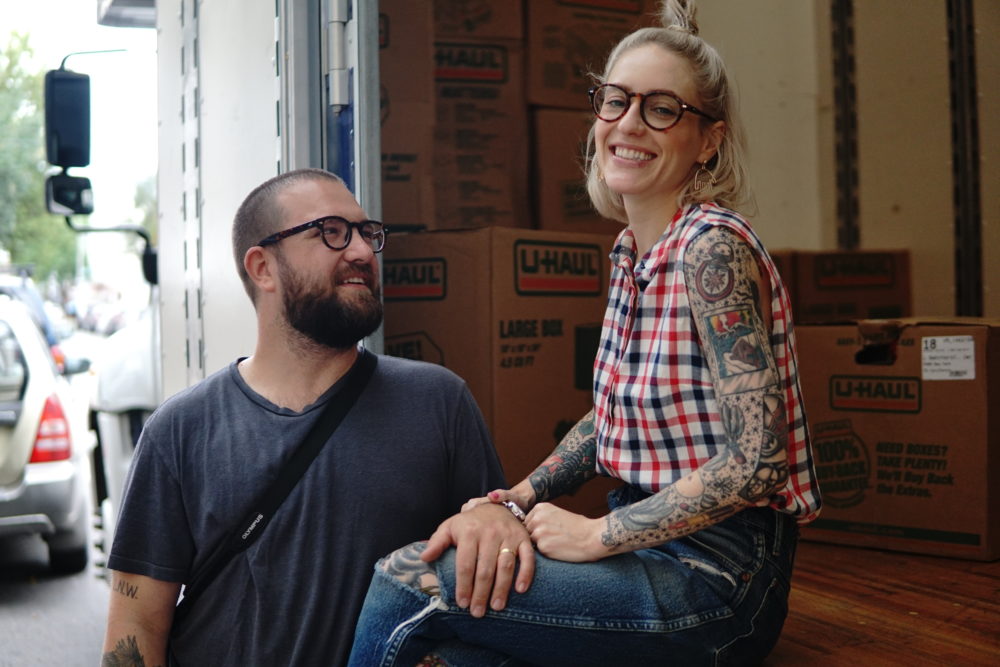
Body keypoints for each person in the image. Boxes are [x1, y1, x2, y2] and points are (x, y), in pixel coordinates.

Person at [348, 1, 822, 664]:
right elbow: (614, 415)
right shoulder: (635, 251)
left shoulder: (710, 249)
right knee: (456, 653)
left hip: (720, 573)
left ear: (708, 140)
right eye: (616, 100)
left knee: (407, 580)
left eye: (662, 108)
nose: (628, 123)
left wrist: (597, 534)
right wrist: (519, 497)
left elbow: (759, 460)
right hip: (654, 545)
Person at [101, 168, 511, 666]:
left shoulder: (439, 402)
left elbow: (495, 586)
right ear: (263, 268)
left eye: (366, 232)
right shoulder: (180, 430)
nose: (361, 252)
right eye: (330, 232)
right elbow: (137, 626)